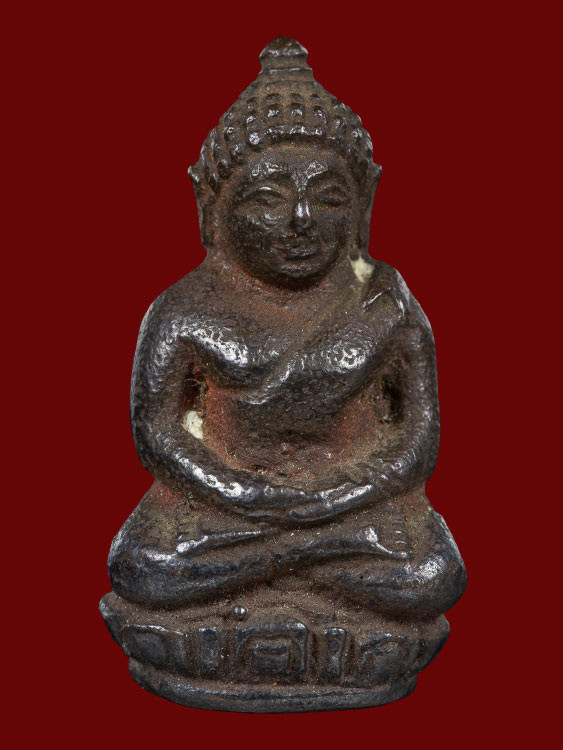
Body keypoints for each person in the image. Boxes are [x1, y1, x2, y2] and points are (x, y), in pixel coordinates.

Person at [103, 38, 465, 707]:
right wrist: (241, 493)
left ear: (362, 203)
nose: (300, 221)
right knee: (145, 567)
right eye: (267, 198)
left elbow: (418, 436)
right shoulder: (184, 308)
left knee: (430, 573)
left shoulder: (384, 300)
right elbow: (156, 432)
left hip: (350, 512)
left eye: (327, 198)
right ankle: (297, 570)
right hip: (226, 513)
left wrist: (343, 495)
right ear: (212, 204)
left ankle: (283, 569)